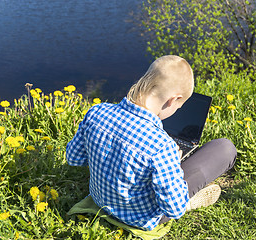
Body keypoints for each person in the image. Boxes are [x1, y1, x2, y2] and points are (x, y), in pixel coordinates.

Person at [66, 55, 237, 231]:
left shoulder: (96, 112)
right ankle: (192, 201)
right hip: (140, 218)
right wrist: (173, 166)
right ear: (173, 100)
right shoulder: (163, 146)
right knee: (224, 148)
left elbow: (73, 158)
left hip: (99, 199)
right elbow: (174, 209)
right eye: (178, 108)